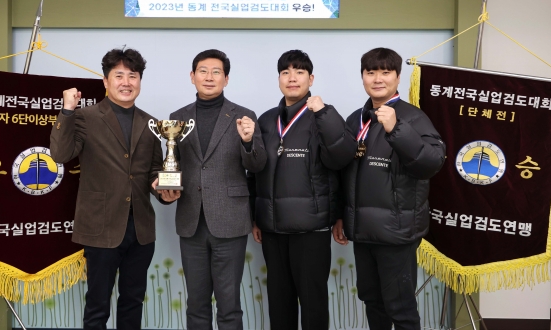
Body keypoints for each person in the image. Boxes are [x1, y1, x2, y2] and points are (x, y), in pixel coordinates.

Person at [315, 48, 446, 330]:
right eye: (371, 72)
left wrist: (397, 129)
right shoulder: (357, 119)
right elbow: (344, 173)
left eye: (386, 72)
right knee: (372, 300)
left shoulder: (413, 118)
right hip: (363, 230)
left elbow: (432, 163)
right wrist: (341, 216)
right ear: (362, 77)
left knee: (400, 307)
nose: (377, 79)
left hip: (397, 232)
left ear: (398, 77)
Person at [50, 48, 172, 330]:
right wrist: (67, 110)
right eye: (119, 75)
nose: (126, 82)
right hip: (100, 226)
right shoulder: (85, 116)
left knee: (133, 301)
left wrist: (163, 191)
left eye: (133, 76)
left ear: (140, 81)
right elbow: (60, 154)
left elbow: (154, 170)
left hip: (141, 230)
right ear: (105, 81)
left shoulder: (151, 124)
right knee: (97, 305)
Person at [155, 49, 267, 330]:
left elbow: (257, 165)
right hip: (191, 221)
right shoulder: (177, 117)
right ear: (192, 76)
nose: (209, 77)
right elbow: (173, 167)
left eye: (216, 72)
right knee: (196, 305)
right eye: (203, 71)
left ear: (226, 79)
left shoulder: (244, 116)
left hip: (230, 221)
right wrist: (165, 192)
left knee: (229, 306)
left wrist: (248, 142)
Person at [247, 49, 343, 330]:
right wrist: (255, 216)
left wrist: (338, 215)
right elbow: (254, 171)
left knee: (313, 304)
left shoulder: (324, 117)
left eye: (299, 72)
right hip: (273, 229)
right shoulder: (266, 121)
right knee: (279, 303)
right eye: (286, 72)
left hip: (311, 228)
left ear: (310, 79)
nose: (292, 78)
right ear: (278, 79)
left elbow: (340, 163)